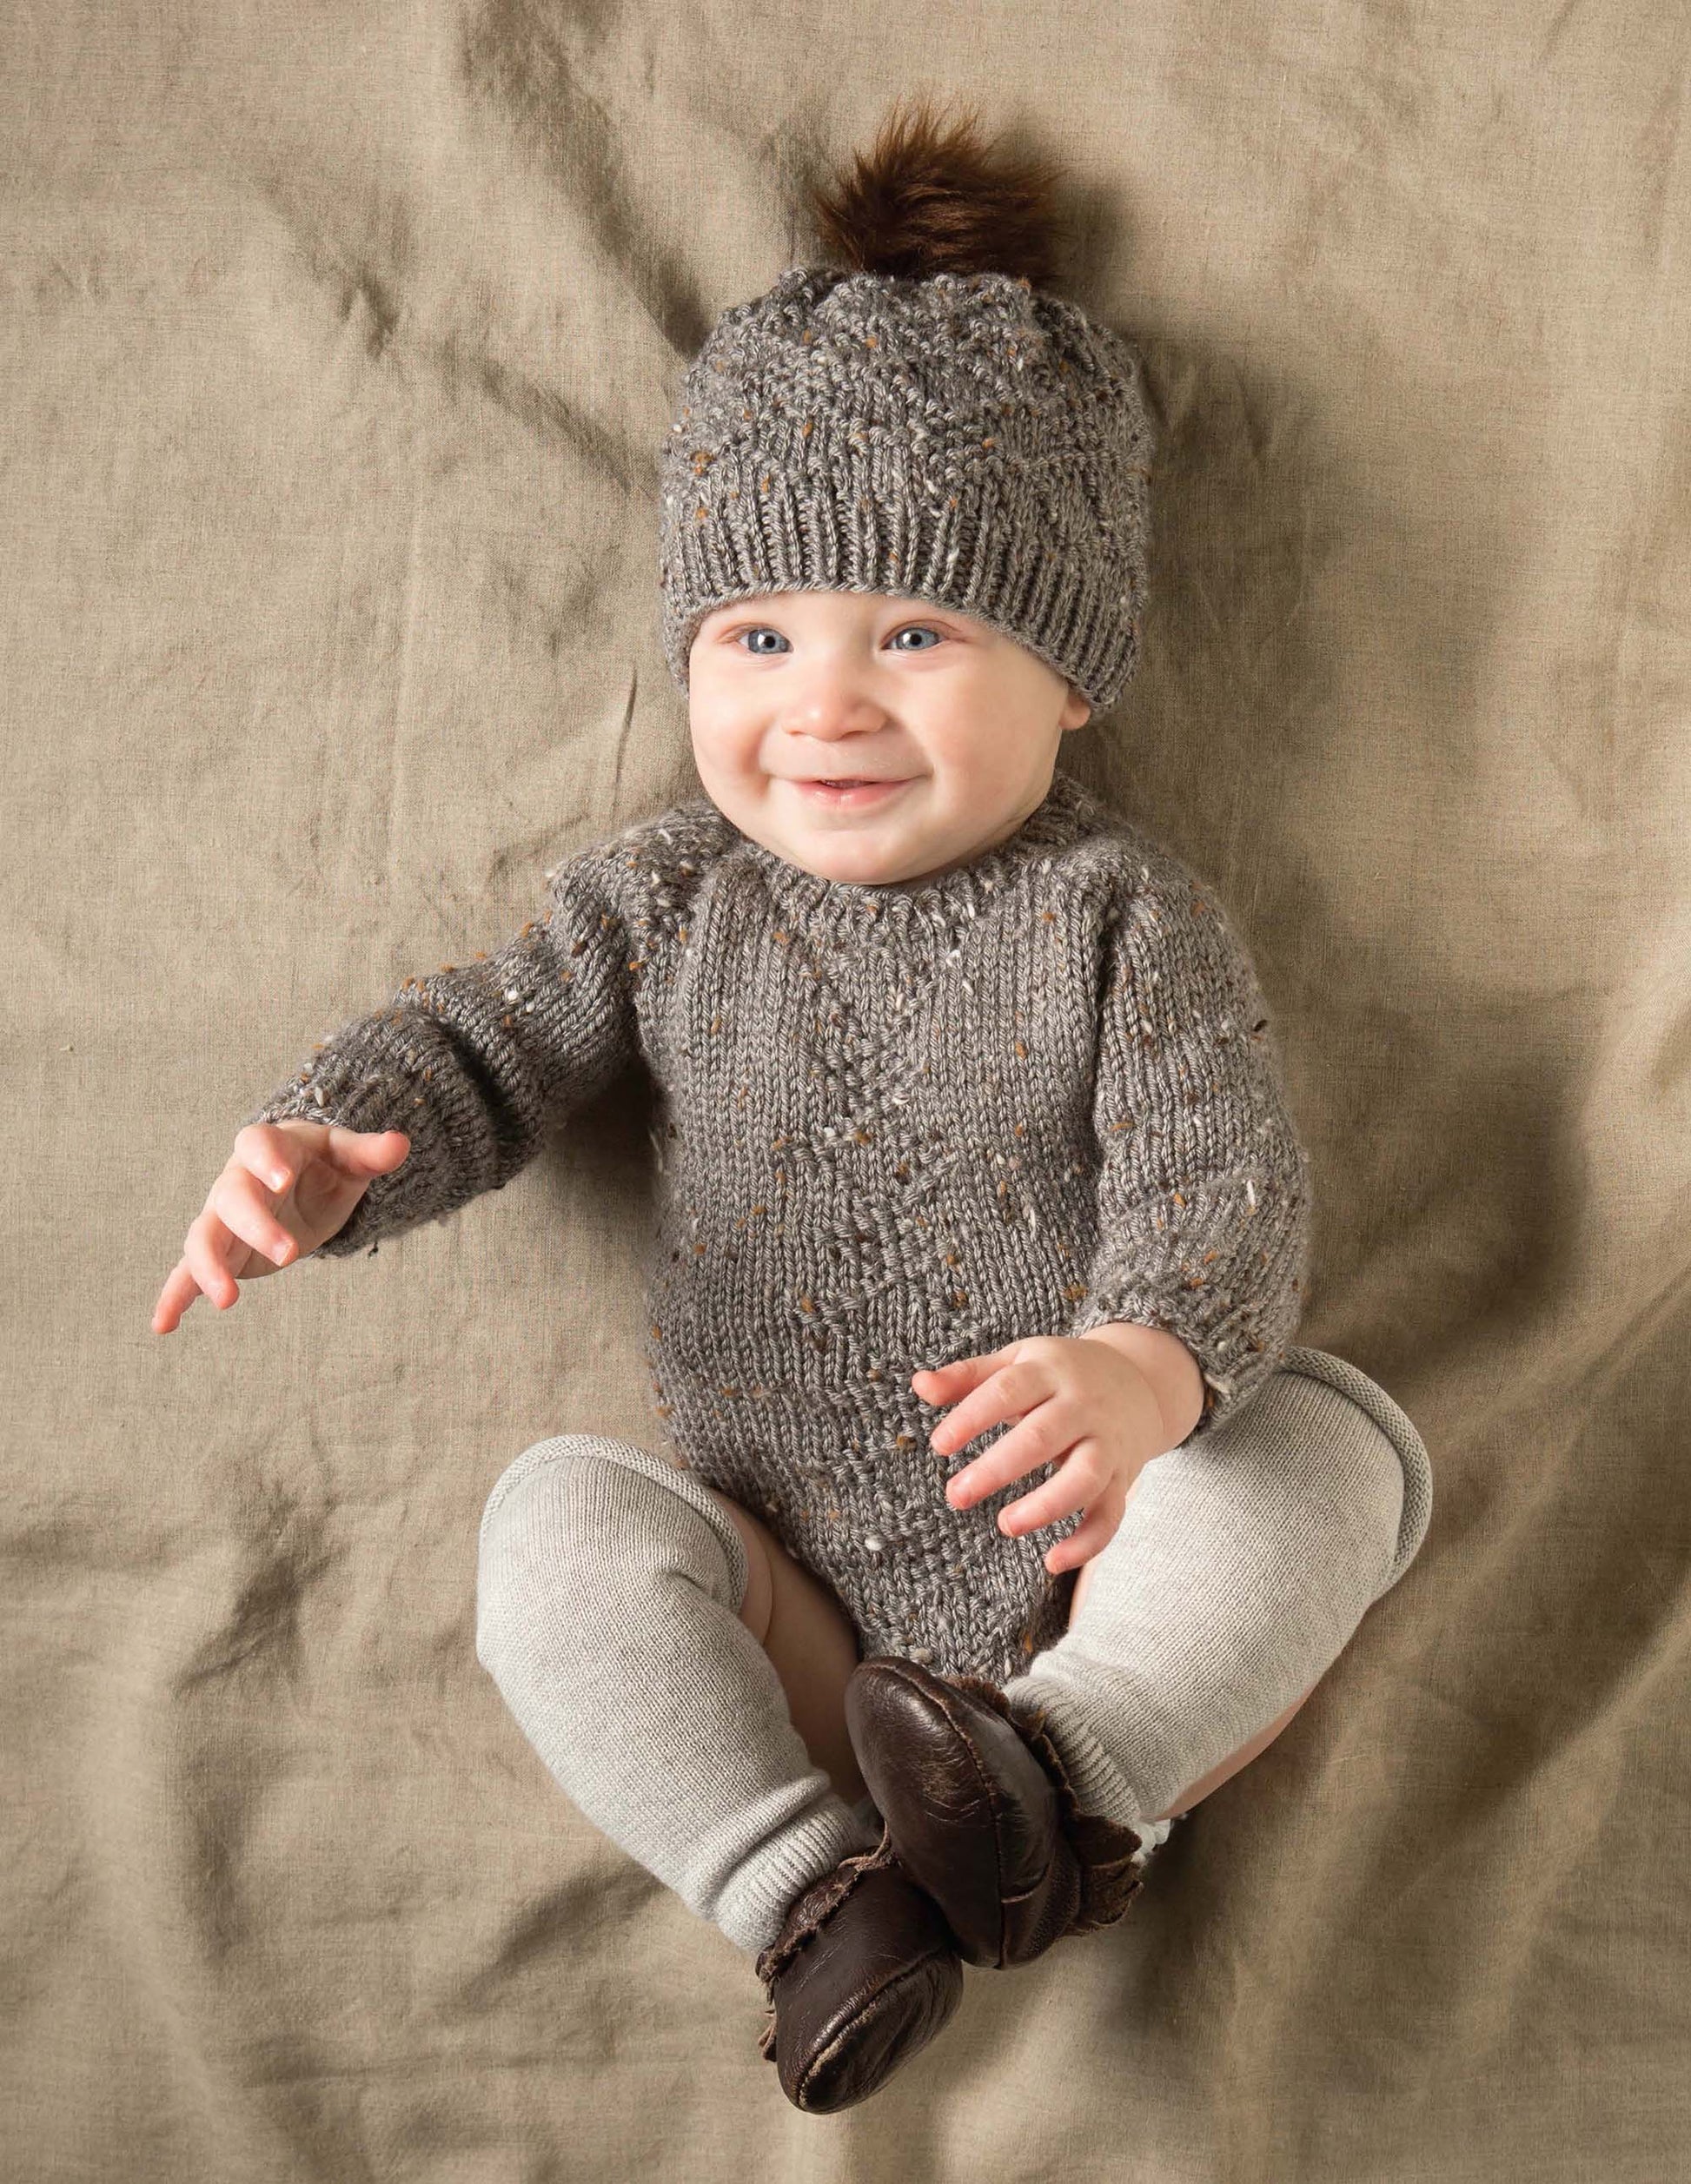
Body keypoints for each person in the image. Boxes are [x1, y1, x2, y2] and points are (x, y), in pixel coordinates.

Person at [151, 94, 1431, 2115]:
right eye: (755, 636)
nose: (822, 706)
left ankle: (1058, 1787)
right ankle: (812, 1893)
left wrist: (1147, 1364)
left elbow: (1221, 1175)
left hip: (1114, 1601)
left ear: (1074, 669)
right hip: (799, 1630)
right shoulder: (664, 903)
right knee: (553, 1525)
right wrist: (340, 1144)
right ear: (692, 650)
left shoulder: (1114, 913)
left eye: (916, 634)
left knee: (1333, 1448)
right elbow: (489, 1043)